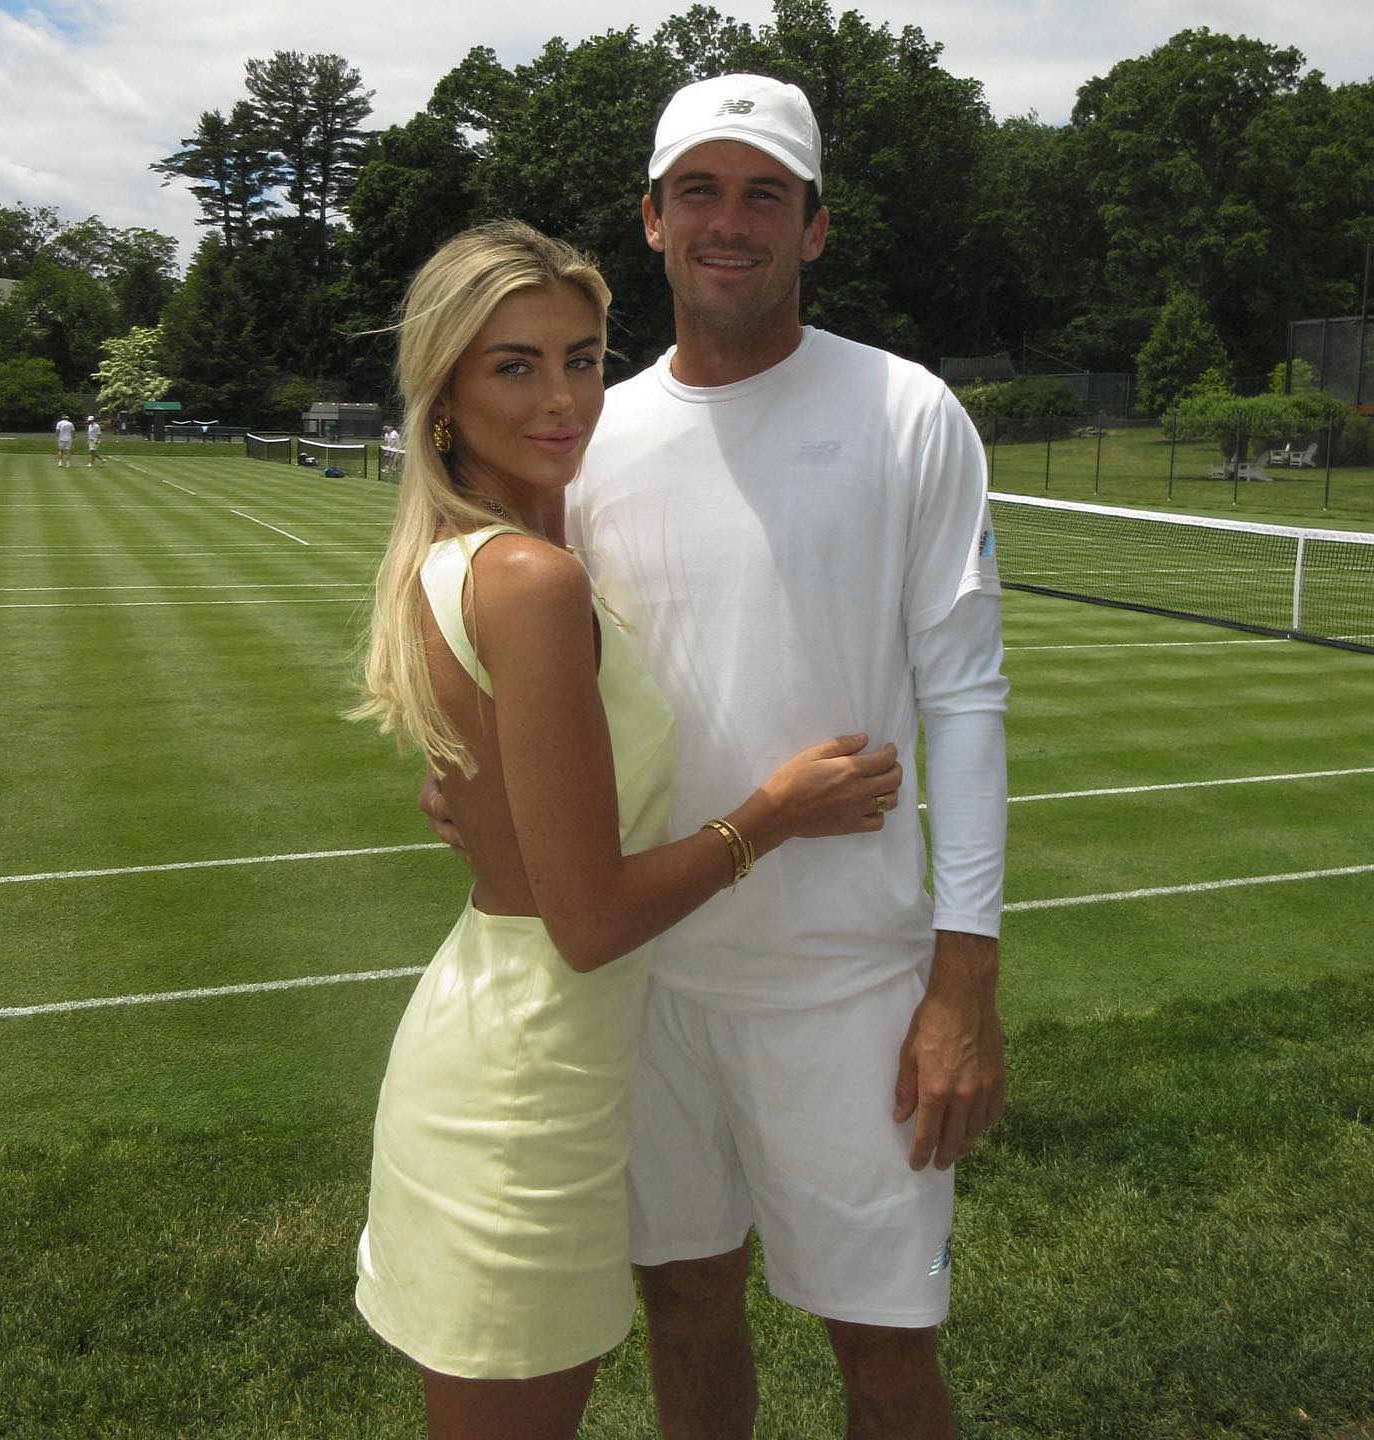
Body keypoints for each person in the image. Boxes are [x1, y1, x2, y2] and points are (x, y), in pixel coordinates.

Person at [425, 74, 1008, 1440]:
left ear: (813, 227)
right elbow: (525, 649)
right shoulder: (588, 433)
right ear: (652, 219)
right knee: (687, 1315)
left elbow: (968, 701)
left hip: (848, 985)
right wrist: (478, 778)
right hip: (642, 982)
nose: (728, 221)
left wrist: (962, 985)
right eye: (700, 189)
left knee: (886, 1356)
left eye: (764, 194)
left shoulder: (911, 412)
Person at [351, 219, 902, 1440]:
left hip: (514, 1040)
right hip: (523, 1085)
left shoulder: (492, 553)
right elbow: (589, 923)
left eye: (585, 358)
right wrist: (775, 814)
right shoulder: (530, 580)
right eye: (515, 365)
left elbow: (511, 805)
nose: (564, 398)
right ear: (443, 393)